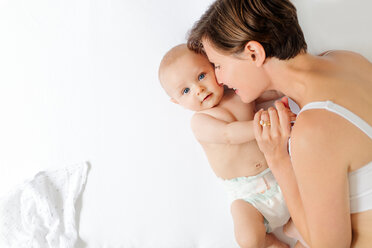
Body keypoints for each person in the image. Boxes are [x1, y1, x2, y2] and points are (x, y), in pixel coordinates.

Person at [186, 0, 372, 247]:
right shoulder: (348, 61)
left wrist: (277, 158)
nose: (219, 79)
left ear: (254, 52)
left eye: (218, 65)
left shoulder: (314, 130)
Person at [158, 44, 299, 248]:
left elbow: (268, 92)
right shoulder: (200, 122)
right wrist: (266, 123)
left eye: (201, 76)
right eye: (186, 90)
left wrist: (290, 84)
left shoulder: (238, 93)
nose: (199, 89)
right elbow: (229, 134)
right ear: (177, 102)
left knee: (311, 186)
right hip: (247, 196)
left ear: (214, 67)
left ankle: (296, 225)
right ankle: (268, 242)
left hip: (278, 172)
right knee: (248, 240)